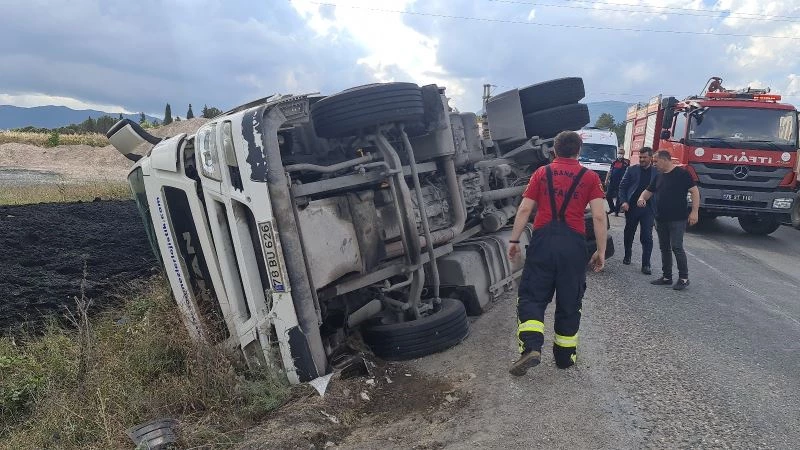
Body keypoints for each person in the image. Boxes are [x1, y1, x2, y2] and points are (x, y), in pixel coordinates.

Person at [506, 130, 607, 376]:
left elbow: (524, 209)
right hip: (573, 244)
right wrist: (600, 251)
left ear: (554, 150)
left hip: (543, 241)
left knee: (532, 295)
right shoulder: (590, 176)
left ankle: (531, 347)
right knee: (570, 300)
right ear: (579, 151)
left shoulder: (541, 173)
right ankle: (564, 358)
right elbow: (598, 216)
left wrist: (514, 239)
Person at [637, 150, 700, 290]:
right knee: (664, 248)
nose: (654, 164)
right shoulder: (658, 176)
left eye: (655, 161)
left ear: (665, 160)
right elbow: (648, 192)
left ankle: (683, 278)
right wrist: (641, 198)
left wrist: (694, 212)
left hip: (677, 219)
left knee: (676, 247)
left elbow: (695, 192)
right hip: (661, 218)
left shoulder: (682, 174)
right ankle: (667, 277)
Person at [617, 147, 658, 275]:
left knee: (646, 235)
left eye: (644, 157)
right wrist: (624, 202)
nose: (641, 160)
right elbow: (622, 187)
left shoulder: (657, 172)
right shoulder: (631, 170)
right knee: (629, 232)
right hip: (632, 207)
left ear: (651, 158)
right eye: (640, 157)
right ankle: (627, 255)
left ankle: (646, 264)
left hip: (649, 209)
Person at [605, 147, 629, 216]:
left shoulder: (626, 162)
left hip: (621, 183)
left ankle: (616, 211)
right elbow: (609, 171)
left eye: (621, 153)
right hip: (612, 182)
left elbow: (629, 172)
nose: (620, 154)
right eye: (619, 153)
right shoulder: (614, 162)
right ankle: (612, 208)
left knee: (619, 198)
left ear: (624, 154)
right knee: (608, 196)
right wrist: (606, 179)